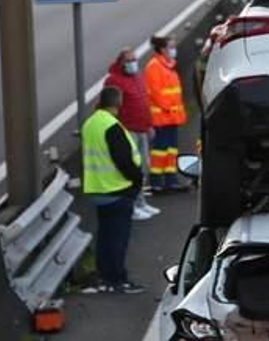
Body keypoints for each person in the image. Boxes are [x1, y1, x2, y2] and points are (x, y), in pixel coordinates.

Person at [81, 86, 146, 295]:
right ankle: (118, 279)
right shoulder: (112, 126)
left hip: (97, 190)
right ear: (118, 104)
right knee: (118, 238)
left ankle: (105, 277)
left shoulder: (90, 123)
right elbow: (124, 161)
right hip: (116, 190)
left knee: (105, 237)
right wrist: (137, 180)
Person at [102, 50, 157, 221]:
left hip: (142, 129)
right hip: (128, 131)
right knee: (131, 170)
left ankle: (141, 202)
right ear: (121, 62)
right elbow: (111, 107)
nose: (133, 63)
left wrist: (149, 125)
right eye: (129, 60)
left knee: (144, 168)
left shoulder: (136, 78)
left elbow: (144, 103)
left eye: (134, 59)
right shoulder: (114, 81)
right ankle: (131, 205)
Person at [143, 35, 189, 192]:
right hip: (162, 118)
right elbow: (156, 94)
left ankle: (171, 180)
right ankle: (156, 182)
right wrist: (171, 109)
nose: (174, 50)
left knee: (171, 150)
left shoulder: (167, 66)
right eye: (171, 47)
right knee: (160, 150)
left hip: (171, 117)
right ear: (162, 49)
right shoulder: (154, 67)